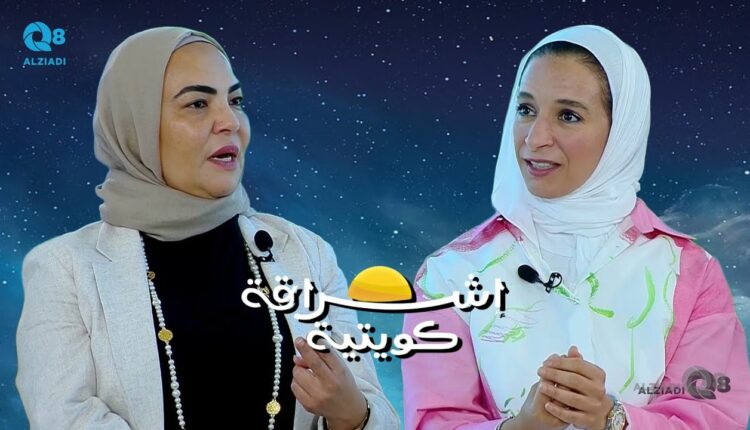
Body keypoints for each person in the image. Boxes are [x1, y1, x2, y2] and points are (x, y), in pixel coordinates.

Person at [16, 27, 399, 430]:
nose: (230, 121)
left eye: (235, 101)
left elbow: (376, 411)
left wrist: (351, 414)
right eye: (198, 103)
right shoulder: (65, 269)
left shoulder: (305, 254)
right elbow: (65, 417)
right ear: (136, 125)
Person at [402, 25, 750, 430]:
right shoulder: (450, 276)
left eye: (568, 116)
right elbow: (434, 421)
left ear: (622, 131)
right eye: (525, 109)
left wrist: (612, 419)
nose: (535, 138)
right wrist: (521, 427)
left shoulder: (688, 273)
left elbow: (715, 417)